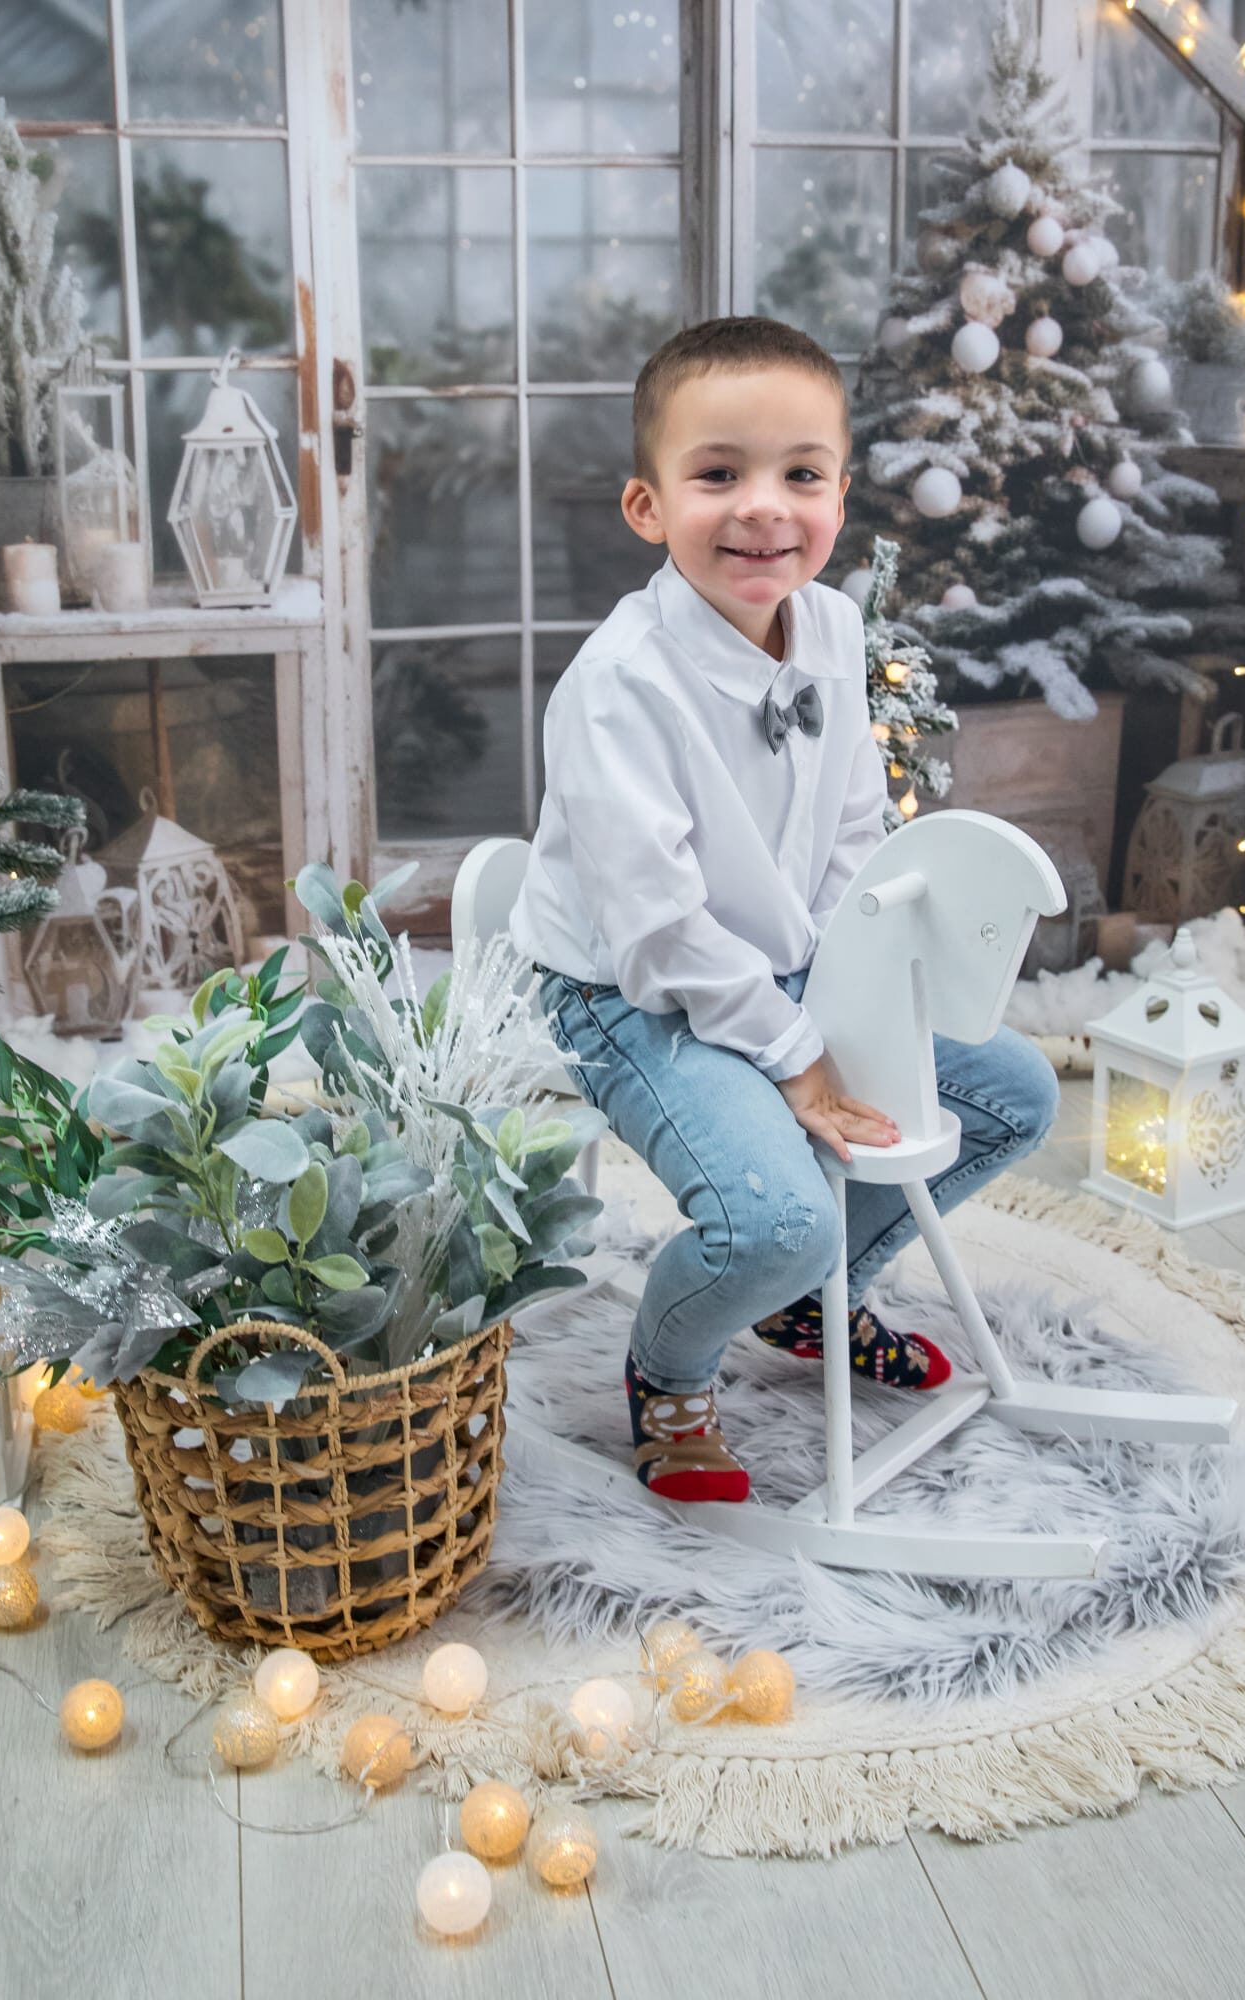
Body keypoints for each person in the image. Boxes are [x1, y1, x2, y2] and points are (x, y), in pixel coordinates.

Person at [510, 316, 1059, 1505]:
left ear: (840, 496)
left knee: (1011, 1093)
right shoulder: (617, 687)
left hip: (787, 957)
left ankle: (812, 1302)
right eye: (718, 474)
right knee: (772, 1217)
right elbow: (659, 931)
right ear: (648, 505)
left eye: (800, 474)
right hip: (630, 988)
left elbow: (854, 836)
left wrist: (857, 983)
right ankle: (670, 1368)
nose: (763, 507)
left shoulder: (835, 629)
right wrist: (799, 1056)